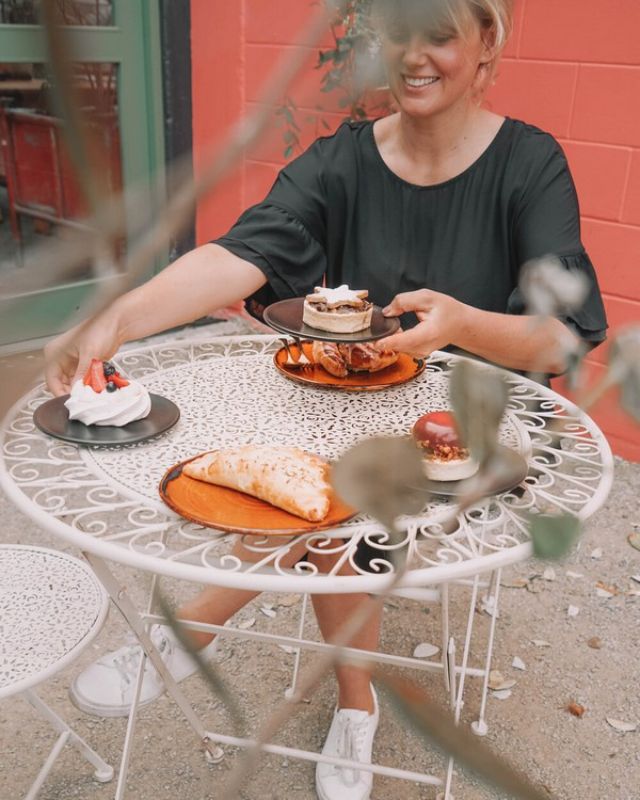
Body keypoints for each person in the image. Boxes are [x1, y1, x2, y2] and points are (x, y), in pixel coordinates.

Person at [44, 1, 607, 798]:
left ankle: (262, 659)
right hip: (342, 412)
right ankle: (341, 695)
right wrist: (118, 319)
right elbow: (242, 253)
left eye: (440, 33)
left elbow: (566, 338)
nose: (413, 55)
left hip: (469, 438)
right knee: (289, 468)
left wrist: (465, 323)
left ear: (488, 47)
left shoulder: (529, 165)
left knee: (330, 496)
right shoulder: (342, 161)